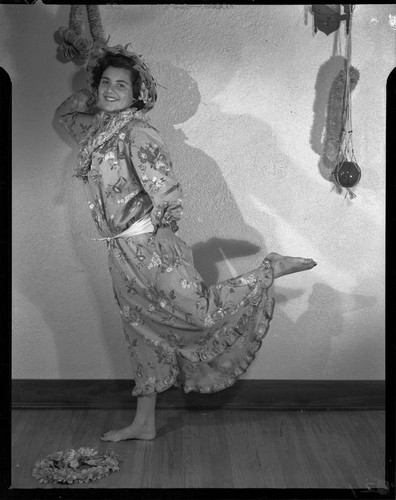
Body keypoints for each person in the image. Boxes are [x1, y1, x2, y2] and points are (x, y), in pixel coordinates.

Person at [56, 43, 317, 442]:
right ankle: (144, 423)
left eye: (120, 85)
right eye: (105, 83)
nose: (110, 90)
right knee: (140, 332)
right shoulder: (99, 133)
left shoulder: (137, 132)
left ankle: (270, 270)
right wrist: (94, 75)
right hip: (119, 251)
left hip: (148, 248)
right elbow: (66, 114)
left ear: (136, 92)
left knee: (198, 315)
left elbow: (166, 191)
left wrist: (165, 232)